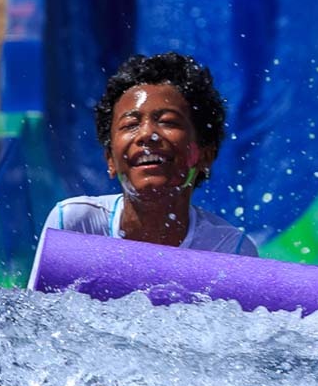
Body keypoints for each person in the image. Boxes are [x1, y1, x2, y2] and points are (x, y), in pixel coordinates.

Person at [27, 52, 257, 289]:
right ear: (110, 160)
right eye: (130, 124)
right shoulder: (76, 226)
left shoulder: (229, 251)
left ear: (205, 155)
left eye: (168, 122)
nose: (148, 134)